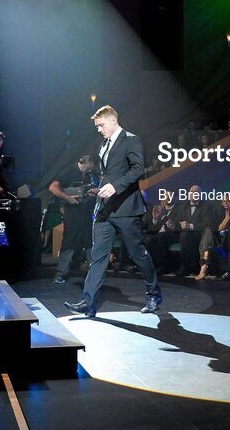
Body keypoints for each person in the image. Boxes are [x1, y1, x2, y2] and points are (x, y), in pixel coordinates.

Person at [65, 106, 162, 317]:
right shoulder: (103, 145)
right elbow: (109, 173)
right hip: (104, 209)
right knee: (98, 257)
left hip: (126, 208)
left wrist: (116, 186)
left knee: (137, 254)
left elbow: (138, 169)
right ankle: (88, 302)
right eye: (97, 126)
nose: (98, 129)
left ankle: (153, 293)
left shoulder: (130, 140)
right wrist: (100, 189)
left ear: (112, 121)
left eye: (100, 125)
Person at [50, 154, 98, 284]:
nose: (92, 169)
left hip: (85, 211)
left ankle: (94, 274)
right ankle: (60, 273)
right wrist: (67, 198)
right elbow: (53, 187)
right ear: (87, 162)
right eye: (92, 165)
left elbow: (86, 191)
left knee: (89, 240)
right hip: (72, 212)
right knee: (69, 240)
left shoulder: (89, 175)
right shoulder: (69, 171)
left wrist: (93, 192)